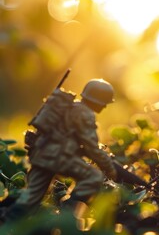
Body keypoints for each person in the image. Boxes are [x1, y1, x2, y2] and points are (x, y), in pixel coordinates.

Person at [4, 79, 118, 221]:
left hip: (41, 153)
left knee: (32, 196)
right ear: (98, 100)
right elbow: (91, 146)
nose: (105, 106)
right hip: (57, 158)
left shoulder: (69, 107)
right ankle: (67, 212)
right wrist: (110, 167)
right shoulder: (85, 114)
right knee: (93, 177)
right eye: (105, 102)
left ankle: (7, 218)